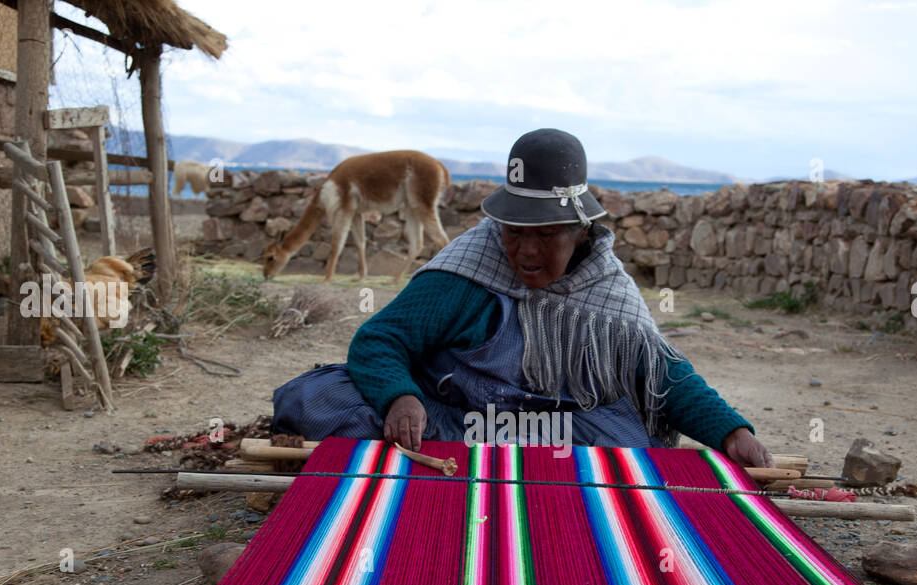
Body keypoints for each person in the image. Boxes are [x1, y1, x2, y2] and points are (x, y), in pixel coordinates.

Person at [272, 128, 774, 469]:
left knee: (623, 448)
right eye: (514, 231)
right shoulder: (465, 268)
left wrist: (731, 433)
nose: (525, 251)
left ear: (581, 231)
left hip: (547, 428)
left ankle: (464, 470)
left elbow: (662, 374)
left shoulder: (607, 291)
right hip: (453, 415)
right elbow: (379, 340)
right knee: (312, 399)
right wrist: (399, 398)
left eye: (546, 234)